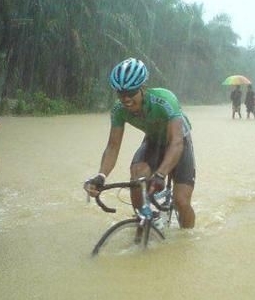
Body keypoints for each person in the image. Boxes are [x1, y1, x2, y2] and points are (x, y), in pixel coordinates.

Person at [84, 57, 196, 228]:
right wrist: (101, 176)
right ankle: (145, 220)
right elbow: (113, 147)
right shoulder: (118, 110)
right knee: (137, 176)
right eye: (121, 94)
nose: (126, 99)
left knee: (181, 201)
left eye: (131, 93)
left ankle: (187, 241)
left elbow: (176, 142)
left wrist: (160, 174)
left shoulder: (164, 100)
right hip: (153, 140)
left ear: (142, 88)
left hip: (178, 141)